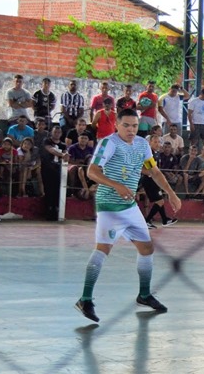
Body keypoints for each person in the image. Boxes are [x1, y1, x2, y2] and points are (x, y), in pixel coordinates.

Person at [75, 109, 182, 322]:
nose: (131, 129)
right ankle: (85, 299)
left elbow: (153, 171)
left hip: (129, 205)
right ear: (116, 124)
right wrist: (117, 186)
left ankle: (144, 295)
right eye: (126, 125)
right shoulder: (109, 143)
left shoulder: (142, 144)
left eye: (134, 126)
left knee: (146, 247)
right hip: (110, 205)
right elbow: (92, 171)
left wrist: (170, 193)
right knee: (103, 249)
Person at [140, 134, 179, 228]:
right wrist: (150, 173)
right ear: (149, 143)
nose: (158, 144)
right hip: (149, 180)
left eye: (158, 142)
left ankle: (165, 219)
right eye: (155, 142)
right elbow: (141, 168)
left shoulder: (156, 153)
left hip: (153, 179)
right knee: (160, 201)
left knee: (160, 200)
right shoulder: (149, 154)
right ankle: (146, 221)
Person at [41, 124, 68, 220]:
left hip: (58, 170)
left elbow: (66, 154)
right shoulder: (47, 141)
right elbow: (50, 150)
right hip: (47, 169)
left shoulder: (63, 145)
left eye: (59, 132)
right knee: (48, 190)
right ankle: (48, 210)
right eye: (55, 132)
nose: (57, 134)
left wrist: (65, 155)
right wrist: (62, 154)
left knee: (57, 190)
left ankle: (56, 209)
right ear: (52, 132)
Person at [67, 133, 95, 200]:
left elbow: (92, 159)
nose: (83, 140)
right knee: (74, 168)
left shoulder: (91, 149)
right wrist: (80, 162)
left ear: (88, 140)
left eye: (85, 138)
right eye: (82, 138)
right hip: (76, 167)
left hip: (87, 167)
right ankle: (72, 190)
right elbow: (71, 160)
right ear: (78, 138)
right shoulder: (72, 148)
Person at [186, 88, 204, 154]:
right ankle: (192, 154)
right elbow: (189, 113)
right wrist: (191, 124)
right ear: (202, 94)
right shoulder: (194, 101)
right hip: (196, 123)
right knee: (194, 141)